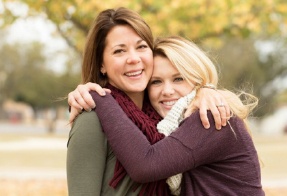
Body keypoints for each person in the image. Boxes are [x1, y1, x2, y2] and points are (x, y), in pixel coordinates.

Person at [67, 7, 230, 196]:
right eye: (119, 51)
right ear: (101, 64)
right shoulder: (92, 119)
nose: (134, 59)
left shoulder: (166, 117)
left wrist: (204, 90)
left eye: (141, 47)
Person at [87, 36, 265, 195]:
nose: (167, 91)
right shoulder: (168, 122)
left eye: (178, 79)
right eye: (156, 81)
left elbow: (145, 166)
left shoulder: (209, 117)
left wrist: (100, 95)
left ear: (198, 79)